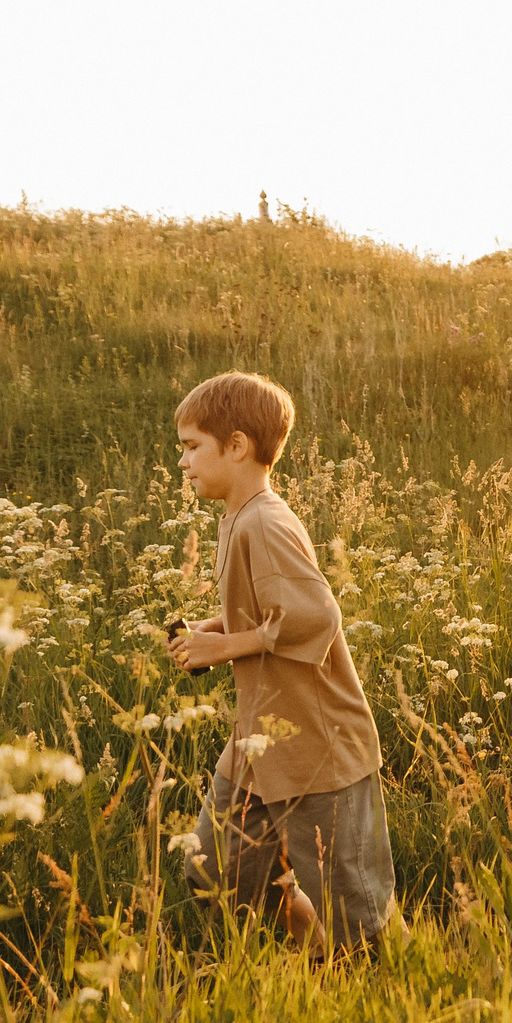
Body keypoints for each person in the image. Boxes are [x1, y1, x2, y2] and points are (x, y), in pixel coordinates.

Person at [170, 371, 398, 951]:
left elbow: (315, 617)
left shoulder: (266, 522)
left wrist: (224, 648)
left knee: (353, 910)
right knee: (217, 869)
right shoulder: (236, 519)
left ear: (238, 446)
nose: (184, 462)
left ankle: (377, 982)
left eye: (193, 447)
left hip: (316, 747)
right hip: (261, 743)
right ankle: (308, 937)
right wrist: (211, 630)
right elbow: (268, 611)